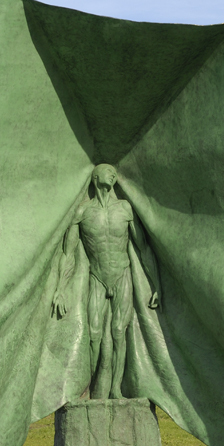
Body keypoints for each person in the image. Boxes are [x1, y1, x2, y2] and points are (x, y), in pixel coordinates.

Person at [51, 164, 160, 399]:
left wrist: (155, 285)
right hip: (97, 277)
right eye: (107, 171)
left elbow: (143, 249)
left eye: (114, 172)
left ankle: (115, 389)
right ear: (95, 176)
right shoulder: (83, 212)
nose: (112, 174)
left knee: (119, 331)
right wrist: (60, 289)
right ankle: (94, 391)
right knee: (94, 333)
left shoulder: (125, 208)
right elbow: (68, 254)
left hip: (122, 274)